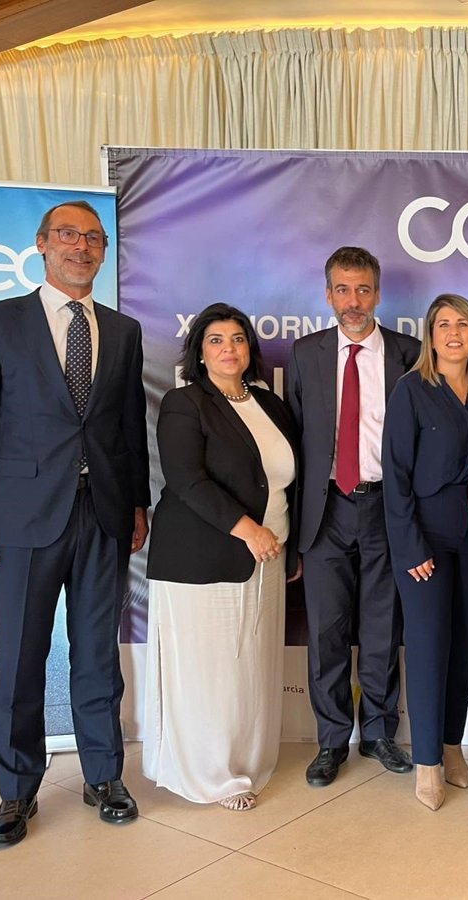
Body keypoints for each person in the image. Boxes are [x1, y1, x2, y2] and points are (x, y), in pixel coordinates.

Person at [0, 200, 150, 847]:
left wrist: (137, 503)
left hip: (104, 515)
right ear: (41, 243)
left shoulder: (122, 330)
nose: (81, 247)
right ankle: (16, 791)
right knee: (20, 658)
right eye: (68, 234)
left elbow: (127, 428)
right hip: (20, 520)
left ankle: (103, 777)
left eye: (93, 238)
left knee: (97, 656)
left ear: (104, 251)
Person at [143, 303, 299, 811]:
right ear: (199, 352)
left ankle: (245, 761)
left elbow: (283, 483)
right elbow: (187, 480)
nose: (228, 348)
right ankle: (212, 775)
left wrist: (286, 542)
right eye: (216, 340)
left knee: (249, 667)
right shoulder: (185, 403)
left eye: (237, 338)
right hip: (202, 558)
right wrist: (249, 530)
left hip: (269, 556)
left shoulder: (269, 404)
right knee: (210, 672)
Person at [288, 246, 421, 784]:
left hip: (386, 506)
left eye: (363, 289)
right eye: (342, 290)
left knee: (383, 626)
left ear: (378, 293)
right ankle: (330, 740)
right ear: (328, 294)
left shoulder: (409, 354)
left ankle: (379, 733)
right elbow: (297, 438)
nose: (353, 301)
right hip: (325, 509)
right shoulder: (306, 354)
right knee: (326, 630)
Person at [382, 294, 468, 810]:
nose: (454, 333)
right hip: (425, 537)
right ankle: (427, 761)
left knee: (462, 644)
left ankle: (453, 744)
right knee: (429, 645)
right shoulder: (411, 390)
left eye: (463, 325)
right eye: (444, 325)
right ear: (430, 336)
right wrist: (410, 545)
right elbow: (395, 474)